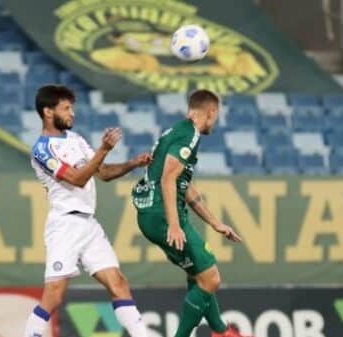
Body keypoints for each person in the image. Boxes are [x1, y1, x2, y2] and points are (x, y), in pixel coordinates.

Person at [23, 84, 151, 337]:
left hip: (88, 224)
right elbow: (78, 178)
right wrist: (103, 149)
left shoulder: (76, 140)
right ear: (48, 112)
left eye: (72, 107)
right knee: (54, 295)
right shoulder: (41, 150)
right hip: (65, 225)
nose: (72, 113)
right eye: (66, 108)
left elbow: (101, 173)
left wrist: (133, 163)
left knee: (118, 283)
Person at [131, 89, 247, 337]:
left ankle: (221, 332)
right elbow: (168, 179)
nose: (215, 122)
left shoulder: (177, 130)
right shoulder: (190, 135)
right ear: (211, 112)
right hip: (162, 215)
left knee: (199, 275)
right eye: (216, 116)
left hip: (155, 213)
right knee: (211, 278)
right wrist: (174, 225)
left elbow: (185, 186)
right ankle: (214, 333)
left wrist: (215, 223)